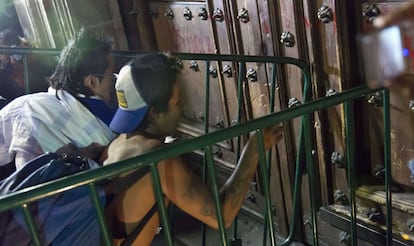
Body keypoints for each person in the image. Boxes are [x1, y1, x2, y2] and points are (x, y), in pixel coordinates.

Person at [103, 53, 284, 246]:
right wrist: (253, 150)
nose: (182, 109)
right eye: (177, 102)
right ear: (154, 113)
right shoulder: (159, 161)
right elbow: (221, 216)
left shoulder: (115, 144)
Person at [0, 28, 117, 174]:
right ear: (92, 81)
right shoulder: (32, 111)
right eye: (111, 76)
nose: (114, 81)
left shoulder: (42, 91)